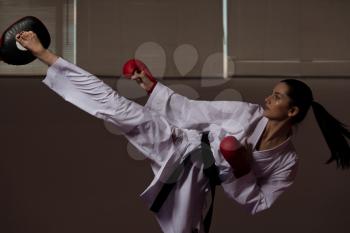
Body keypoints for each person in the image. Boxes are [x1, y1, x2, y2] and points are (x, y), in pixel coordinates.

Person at [15, 31, 350, 233]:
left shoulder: (286, 163)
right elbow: (193, 112)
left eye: (276, 97)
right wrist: (151, 87)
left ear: (291, 111)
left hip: (197, 179)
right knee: (115, 106)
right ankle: (45, 54)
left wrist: (241, 168)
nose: (267, 98)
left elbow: (257, 203)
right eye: (272, 92)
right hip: (180, 143)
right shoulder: (246, 113)